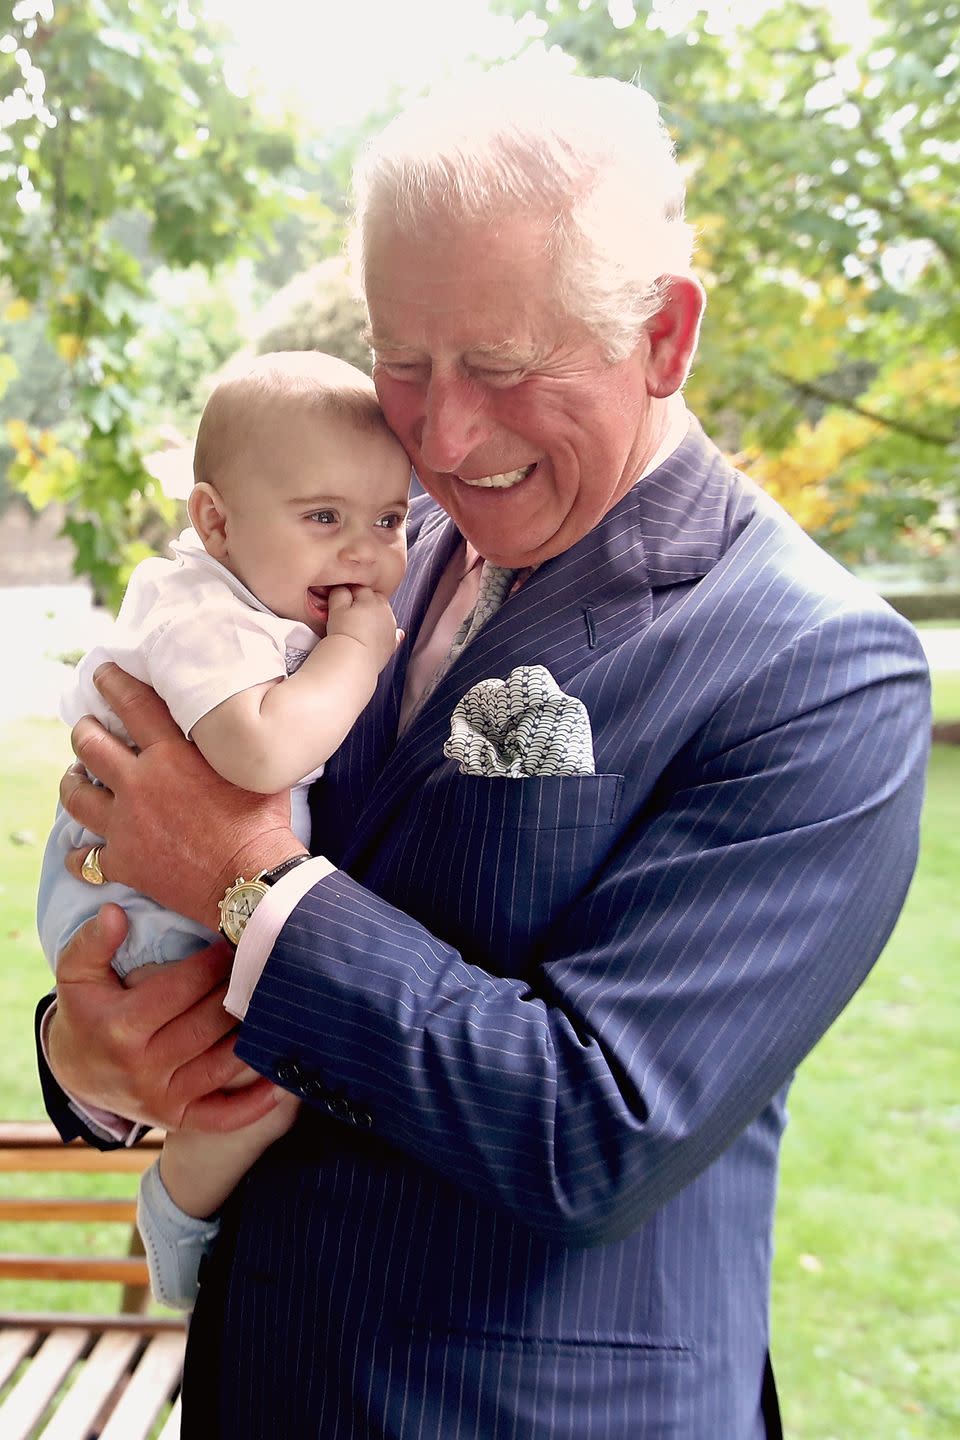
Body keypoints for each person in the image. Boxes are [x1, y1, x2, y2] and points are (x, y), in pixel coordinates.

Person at [35, 66, 930, 1438]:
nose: (444, 437)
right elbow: (170, 913)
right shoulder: (363, 546)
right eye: (406, 361)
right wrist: (94, 1059)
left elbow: (596, 1129)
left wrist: (247, 884)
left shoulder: (816, 668)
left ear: (665, 338)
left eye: (505, 369)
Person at [38, 349, 409, 1305]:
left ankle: (177, 1204)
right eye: (323, 518)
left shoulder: (266, 591)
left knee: (270, 1073)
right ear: (215, 521)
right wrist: (358, 654)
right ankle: (174, 1216)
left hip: (174, 898)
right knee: (258, 1084)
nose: (363, 552)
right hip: (142, 912)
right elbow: (259, 753)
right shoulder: (203, 613)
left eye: (389, 520)